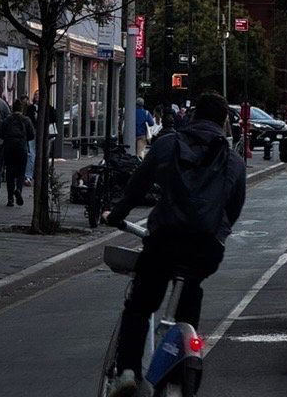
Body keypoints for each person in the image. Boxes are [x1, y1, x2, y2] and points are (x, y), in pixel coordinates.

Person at [105, 91, 246, 396]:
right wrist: (217, 234)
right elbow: (233, 208)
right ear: (223, 122)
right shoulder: (232, 160)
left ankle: (128, 371)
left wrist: (116, 215)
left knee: (141, 305)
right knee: (190, 291)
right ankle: (185, 357)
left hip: (165, 241)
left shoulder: (168, 145)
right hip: (205, 249)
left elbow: (137, 186)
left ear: (193, 115)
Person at [0, 99, 35, 207]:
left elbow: (0, 133)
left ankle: (10, 199)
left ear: (12, 108)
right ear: (22, 109)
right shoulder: (26, 120)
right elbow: (32, 135)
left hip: (9, 147)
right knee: (21, 171)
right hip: (21, 146)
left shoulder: (7, 120)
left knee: (10, 171)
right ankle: (18, 189)